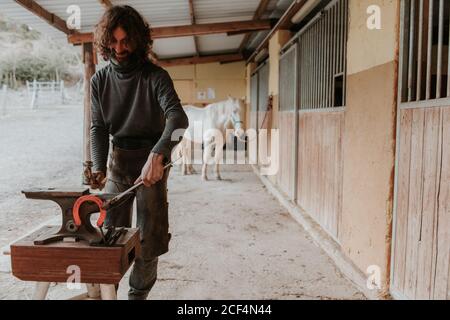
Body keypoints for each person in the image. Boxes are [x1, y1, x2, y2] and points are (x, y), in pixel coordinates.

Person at [89, 5, 189, 300]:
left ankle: (138, 296)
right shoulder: (100, 81)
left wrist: (158, 155)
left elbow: (178, 119)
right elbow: (98, 127)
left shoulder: (155, 76)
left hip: (151, 164)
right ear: (105, 41)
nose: (119, 48)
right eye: (114, 41)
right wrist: (98, 166)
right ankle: (110, 293)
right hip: (118, 163)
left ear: (138, 40)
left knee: (150, 238)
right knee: (110, 235)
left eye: (126, 41)